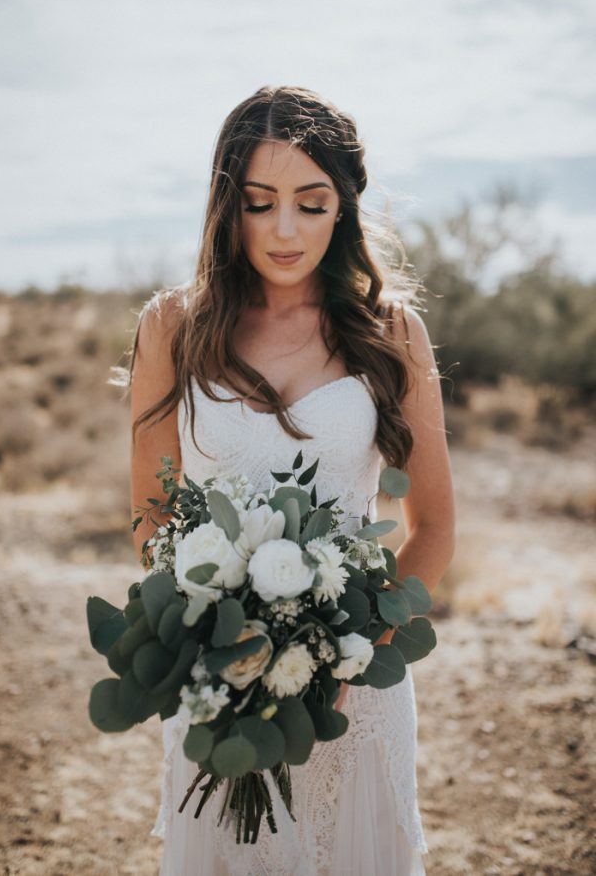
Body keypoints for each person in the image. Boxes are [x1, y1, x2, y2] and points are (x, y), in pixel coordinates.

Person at [129, 85, 455, 875]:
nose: (283, 230)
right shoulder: (173, 326)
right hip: (218, 682)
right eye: (259, 202)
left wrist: (345, 658)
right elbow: (150, 518)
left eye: (311, 204)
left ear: (343, 207)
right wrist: (220, 649)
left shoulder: (391, 333)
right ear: (225, 203)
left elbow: (435, 529)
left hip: (356, 694)